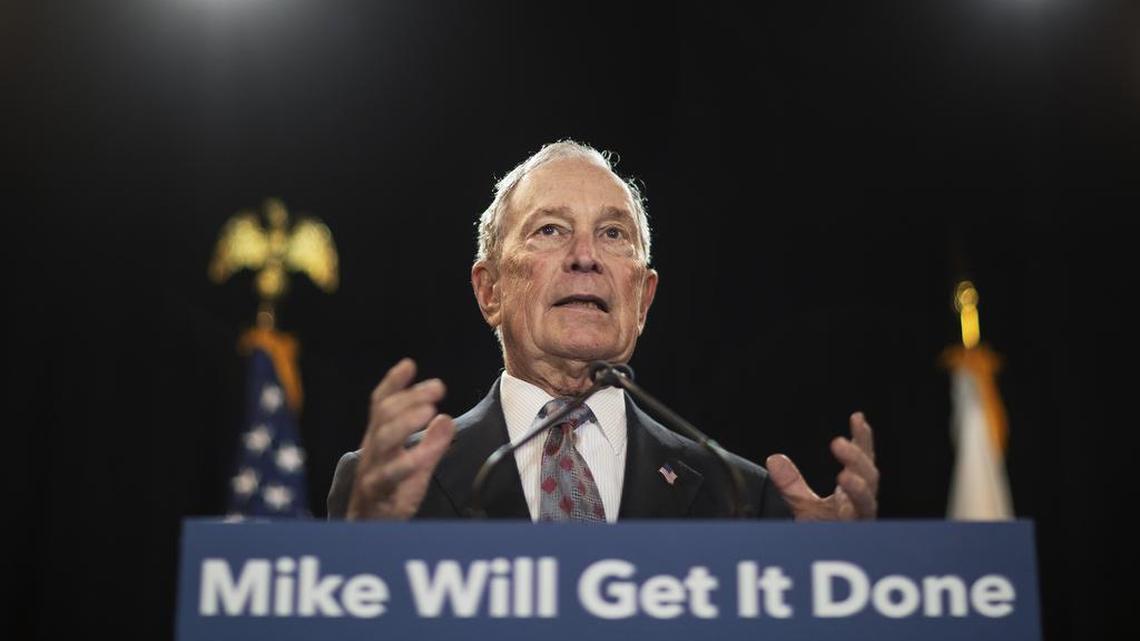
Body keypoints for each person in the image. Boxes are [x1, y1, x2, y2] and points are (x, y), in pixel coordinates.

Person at [327, 140, 879, 522]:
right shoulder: (388, 488)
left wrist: (832, 582)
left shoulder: (741, 496)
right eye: (550, 229)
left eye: (613, 234)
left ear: (643, 297)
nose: (586, 256)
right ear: (489, 290)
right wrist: (361, 560)